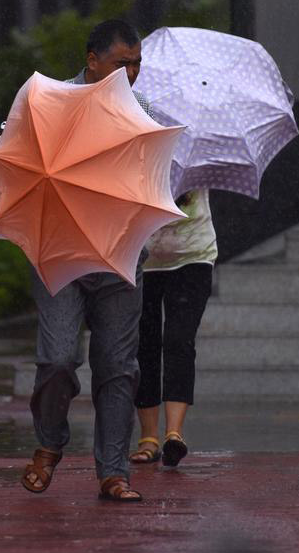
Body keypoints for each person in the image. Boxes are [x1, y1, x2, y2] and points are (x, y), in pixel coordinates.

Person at [21, 19, 151, 502]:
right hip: (58, 253)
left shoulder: (145, 114)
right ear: (92, 59)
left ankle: (113, 472)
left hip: (120, 255)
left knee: (117, 367)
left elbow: (157, 184)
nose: (132, 74)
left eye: (137, 64)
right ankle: (50, 444)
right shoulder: (48, 104)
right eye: (122, 63)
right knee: (57, 359)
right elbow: (19, 163)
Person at [129, 189, 217, 468]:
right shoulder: (135, 150)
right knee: (145, 343)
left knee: (179, 340)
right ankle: (148, 438)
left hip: (194, 255)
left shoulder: (197, 148)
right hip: (141, 256)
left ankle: (174, 434)